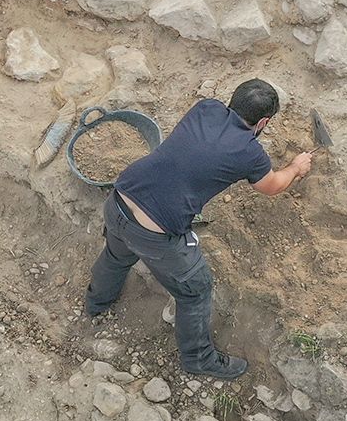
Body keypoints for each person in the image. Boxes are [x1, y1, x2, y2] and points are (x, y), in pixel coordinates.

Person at [83, 79, 314, 381]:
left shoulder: (206, 107)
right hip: (156, 234)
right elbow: (272, 186)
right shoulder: (250, 152)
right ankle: (199, 359)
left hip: (120, 200)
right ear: (264, 122)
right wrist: (296, 168)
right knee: (196, 290)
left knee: (116, 255)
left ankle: (96, 303)